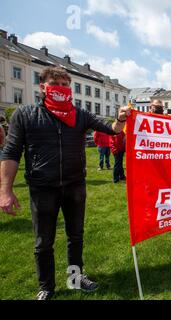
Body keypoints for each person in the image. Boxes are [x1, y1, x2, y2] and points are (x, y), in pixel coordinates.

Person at [0, 66, 131, 300]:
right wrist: (5, 191)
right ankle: (46, 287)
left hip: (74, 185)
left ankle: (75, 278)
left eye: (64, 85)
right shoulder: (26, 114)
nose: (61, 89)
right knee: (43, 242)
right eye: (55, 84)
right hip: (42, 188)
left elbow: (111, 130)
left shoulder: (79, 114)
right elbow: (10, 153)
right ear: (43, 87)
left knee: (76, 236)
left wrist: (121, 118)